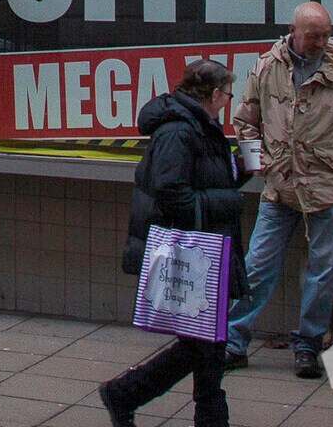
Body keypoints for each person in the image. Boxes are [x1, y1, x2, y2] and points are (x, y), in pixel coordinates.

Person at [224, 1, 333, 376]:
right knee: (257, 267)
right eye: (313, 35)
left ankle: (307, 345)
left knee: (322, 275)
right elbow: (245, 122)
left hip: (328, 188)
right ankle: (233, 341)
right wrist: (262, 166)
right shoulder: (267, 67)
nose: (320, 42)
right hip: (280, 187)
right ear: (293, 30)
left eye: (326, 34)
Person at [100, 59, 244, 427]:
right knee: (204, 342)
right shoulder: (179, 131)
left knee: (208, 342)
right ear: (213, 94)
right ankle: (126, 392)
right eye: (228, 94)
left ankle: (137, 396)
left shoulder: (199, 124)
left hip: (204, 250)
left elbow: (201, 180)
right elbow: (171, 190)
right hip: (192, 252)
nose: (229, 101)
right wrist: (224, 201)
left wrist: (238, 172)